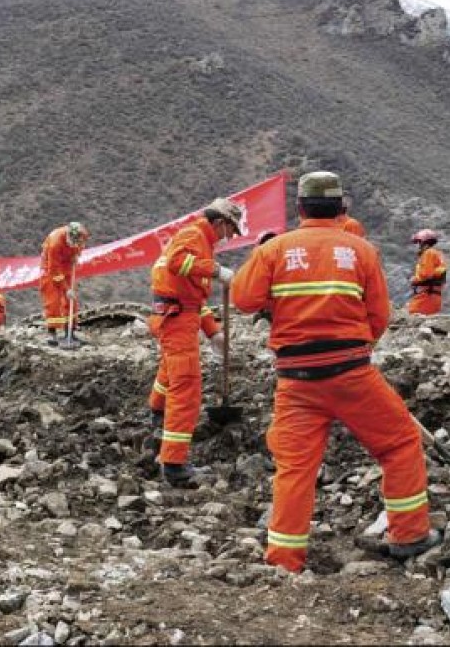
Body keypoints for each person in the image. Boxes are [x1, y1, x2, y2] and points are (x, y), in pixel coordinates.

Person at [231, 171, 437, 572]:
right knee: (399, 445)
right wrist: (356, 348)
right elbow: (378, 317)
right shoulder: (360, 250)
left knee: (294, 468)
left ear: (300, 208)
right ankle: (409, 535)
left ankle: (284, 558)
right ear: (342, 208)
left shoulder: (276, 251)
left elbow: (243, 298)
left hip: (296, 383)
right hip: (352, 375)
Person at [148, 199, 243, 487]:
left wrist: (213, 332)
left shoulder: (199, 240)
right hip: (176, 320)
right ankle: (174, 464)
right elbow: (179, 264)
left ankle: (156, 413)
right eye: (228, 230)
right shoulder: (194, 236)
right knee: (186, 386)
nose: (227, 237)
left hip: (179, 317)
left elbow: (193, 298)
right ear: (219, 222)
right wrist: (215, 271)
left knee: (170, 373)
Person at [40, 222, 89, 346]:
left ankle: (70, 333)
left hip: (67, 265)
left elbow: (79, 248)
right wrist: (66, 289)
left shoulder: (81, 236)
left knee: (72, 301)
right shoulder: (54, 244)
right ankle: (52, 333)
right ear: (69, 236)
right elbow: (54, 270)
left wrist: (76, 256)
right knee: (53, 301)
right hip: (51, 268)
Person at [407, 229, 446, 315]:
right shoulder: (437, 254)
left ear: (423, 242)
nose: (416, 245)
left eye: (417, 242)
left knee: (412, 315)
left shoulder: (428, 254)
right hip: (434, 296)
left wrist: (414, 280)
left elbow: (425, 275)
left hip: (426, 297)